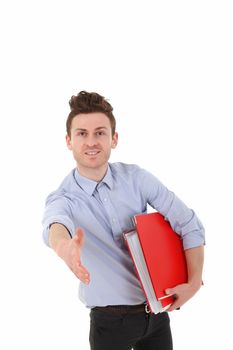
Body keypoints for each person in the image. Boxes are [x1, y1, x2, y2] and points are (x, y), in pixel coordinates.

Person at [42, 91, 205, 350]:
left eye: (100, 132)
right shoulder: (63, 198)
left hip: (157, 314)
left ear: (114, 138)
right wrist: (65, 248)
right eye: (82, 133)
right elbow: (55, 225)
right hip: (110, 323)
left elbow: (188, 223)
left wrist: (194, 283)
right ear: (69, 141)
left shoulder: (136, 179)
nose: (91, 141)